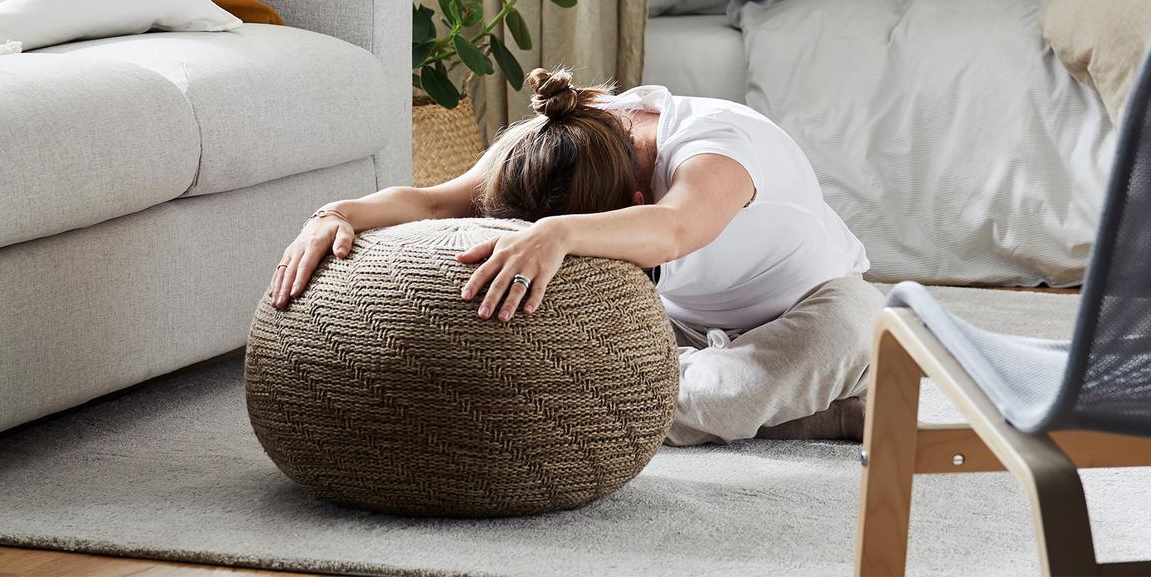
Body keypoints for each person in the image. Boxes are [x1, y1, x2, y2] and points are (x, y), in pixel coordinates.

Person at [268, 68, 884, 445]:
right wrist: (336, 216)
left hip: (818, 302)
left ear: (636, 195)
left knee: (729, 392)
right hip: (677, 316)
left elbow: (672, 229)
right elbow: (434, 204)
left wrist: (560, 235)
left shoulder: (717, 146)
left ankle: (819, 406)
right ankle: (792, 409)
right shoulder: (556, 140)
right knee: (538, 359)